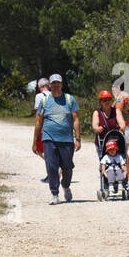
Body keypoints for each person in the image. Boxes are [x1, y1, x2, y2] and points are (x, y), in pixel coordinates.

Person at [32, 73, 81, 204]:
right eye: (53, 83)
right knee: (51, 166)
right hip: (49, 138)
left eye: (58, 82)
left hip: (66, 139)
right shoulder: (45, 101)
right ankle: (55, 193)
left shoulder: (69, 99)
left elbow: (75, 119)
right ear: (50, 85)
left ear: (61, 84)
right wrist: (35, 142)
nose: (55, 85)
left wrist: (78, 138)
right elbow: (38, 122)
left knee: (67, 167)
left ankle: (66, 185)